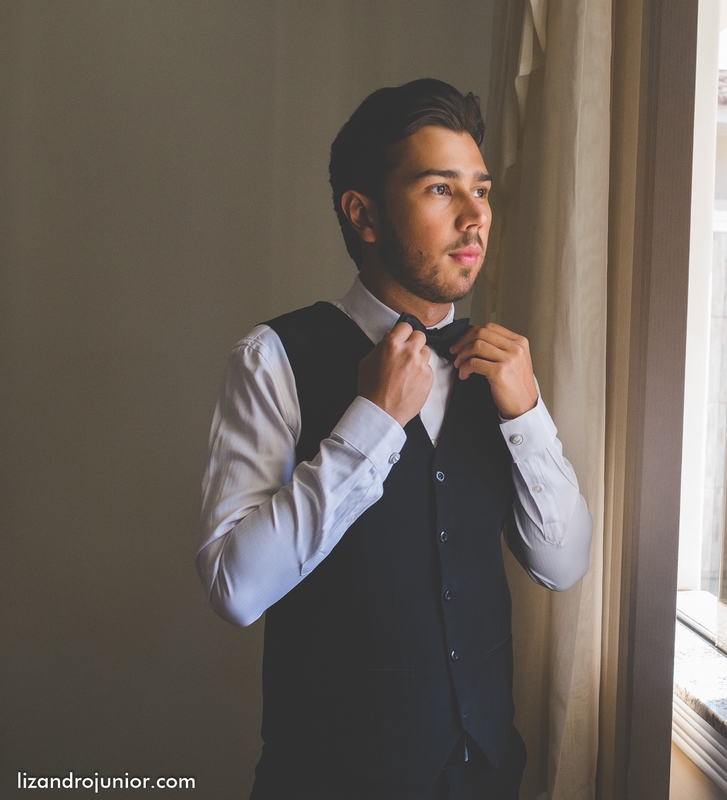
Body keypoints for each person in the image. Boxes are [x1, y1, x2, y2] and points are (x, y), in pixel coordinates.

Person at [196, 79, 593, 800]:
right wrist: (371, 421)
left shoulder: (500, 369)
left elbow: (562, 565)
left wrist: (528, 412)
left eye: (482, 189)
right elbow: (236, 587)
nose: (476, 217)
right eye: (442, 190)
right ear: (365, 214)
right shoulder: (272, 358)